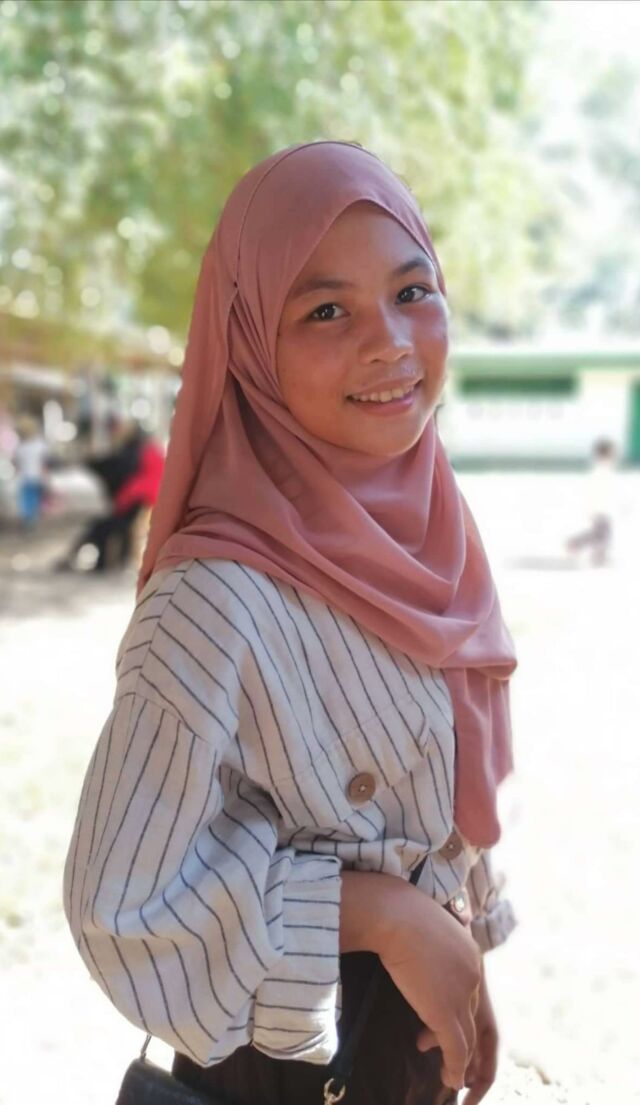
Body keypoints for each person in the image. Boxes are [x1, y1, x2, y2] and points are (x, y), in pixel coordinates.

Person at [63, 142, 517, 1105]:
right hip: (284, 1061)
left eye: (412, 292)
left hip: (408, 1038)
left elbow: (436, 795)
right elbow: (121, 904)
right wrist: (379, 914)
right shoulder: (215, 599)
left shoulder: (433, 532)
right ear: (247, 341)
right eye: (325, 311)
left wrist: (459, 946)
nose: (389, 341)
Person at [55, 421, 164, 572]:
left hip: (138, 499)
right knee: (111, 527)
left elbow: (119, 473)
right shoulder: (145, 451)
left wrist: (91, 462)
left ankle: (93, 562)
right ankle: (106, 562)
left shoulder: (134, 454)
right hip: (144, 499)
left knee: (101, 528)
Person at [566, 437, 617, 567]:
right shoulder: (601, 468)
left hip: (603, 507)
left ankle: (598, 555)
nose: (614, 454)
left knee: (602, 534)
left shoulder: (605, 467)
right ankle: (576, 544)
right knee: (601, 534)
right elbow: (598, 489)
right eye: (612, 451)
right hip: (600, 507)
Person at [12, 415, 50, 530]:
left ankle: (28, 519)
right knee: (35, 498)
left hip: (24, 478)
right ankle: (33, 519)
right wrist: (46, 477)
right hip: (37, 476)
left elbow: (16, 464)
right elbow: (44, 464)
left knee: (26, 499)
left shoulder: (20, 447)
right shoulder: (40, 445)